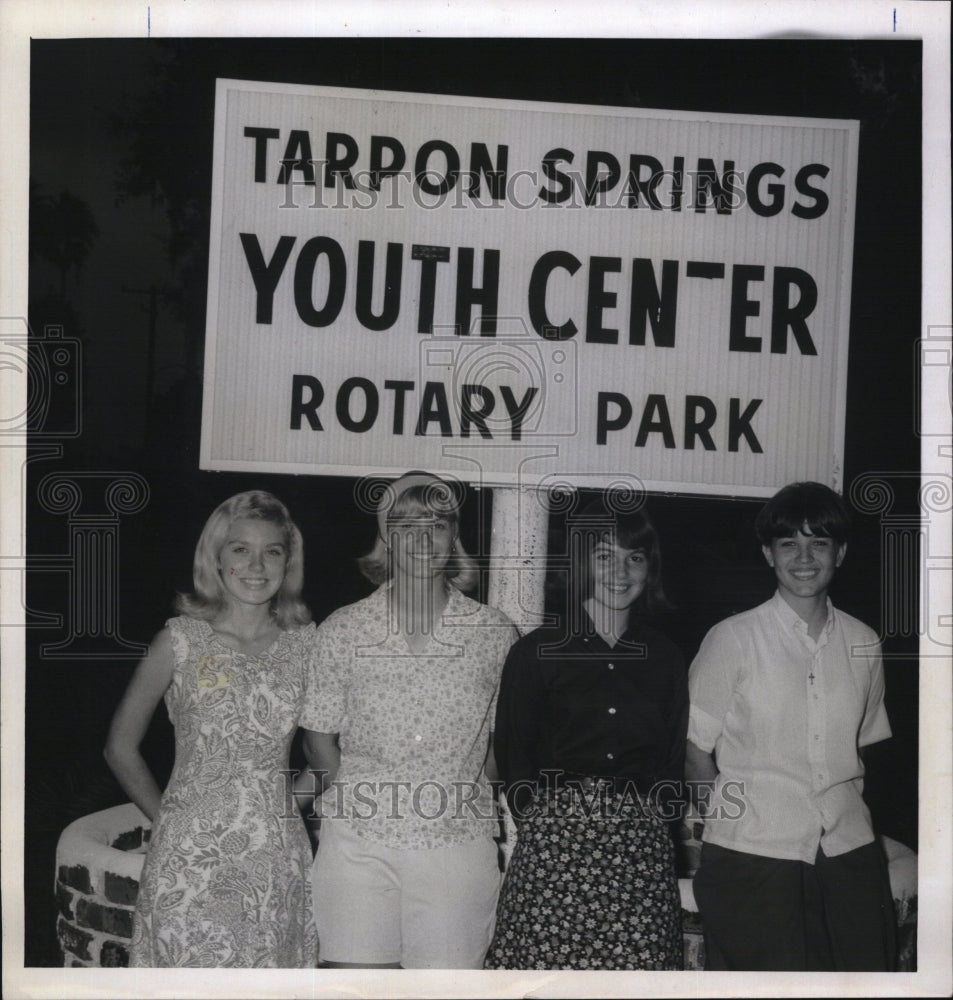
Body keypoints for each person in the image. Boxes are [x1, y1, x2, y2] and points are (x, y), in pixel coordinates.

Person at [299, 471, 518, 969]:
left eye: (437, 525)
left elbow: (500, 746)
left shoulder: (493, 632)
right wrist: (365, 804)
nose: (423, 538)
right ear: (386, 538)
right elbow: (318, 740)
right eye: (405, 525)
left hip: (456, 850)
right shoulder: (344, 628)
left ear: (453, 536)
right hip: (357, 849)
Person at [686, 481, 896, 971]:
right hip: (752, 856)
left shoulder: (865, 642)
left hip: (849, 852)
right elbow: (693, 749)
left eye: (819, 542)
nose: (804, 557)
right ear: (768, 554)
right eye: (788, 543)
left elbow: (863, 745)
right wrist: (729, 823)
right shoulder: (733, 638)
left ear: (840, 553)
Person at [104, 491, 318, 968]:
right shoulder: (178, 641)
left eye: (272, 551)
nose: (257, 565)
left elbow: (328, 756)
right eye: (240, 549)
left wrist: (284, 812)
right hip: (187, 862)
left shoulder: (309, 646)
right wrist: (170, 818)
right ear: (216, 558)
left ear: (288, 562)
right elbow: (120, 748)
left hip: (273, 861)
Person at [484, 497, 687, 971]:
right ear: (580, 563)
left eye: (635, 557)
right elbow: (515, 755)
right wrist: (550, 826)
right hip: (555, 845)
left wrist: (648, 824)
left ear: (650, 569)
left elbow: (672, 760)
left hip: (640, 850)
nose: (621, 571)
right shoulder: (537, 652)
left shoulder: (665, 657)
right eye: (604, 556)